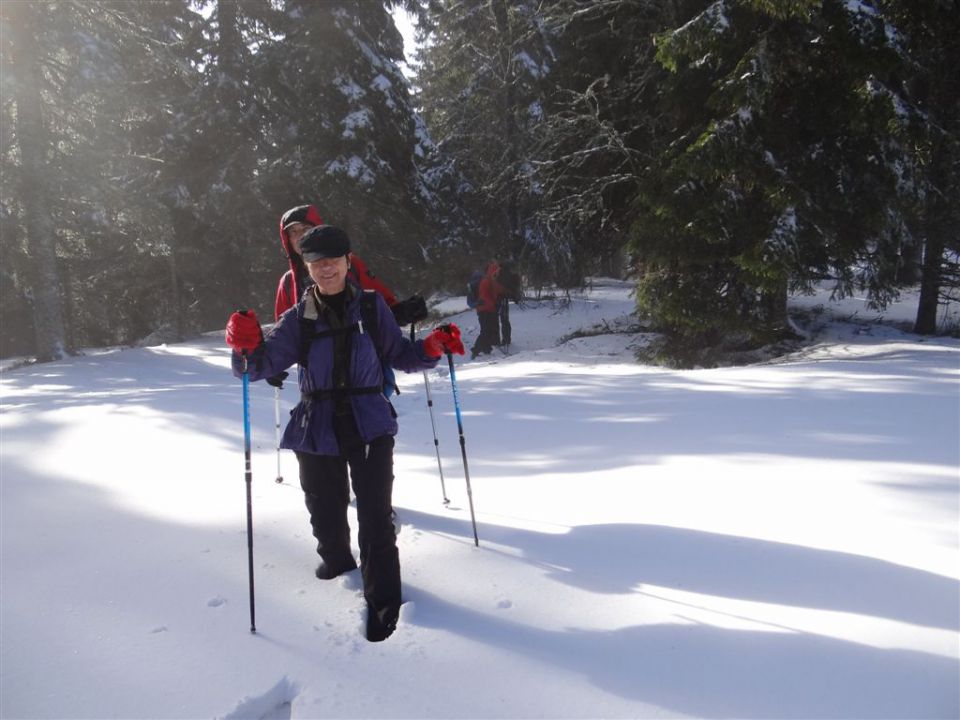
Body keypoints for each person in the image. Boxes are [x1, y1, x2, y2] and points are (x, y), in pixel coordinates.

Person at [226, 224, 464, 642]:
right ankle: (337, 564)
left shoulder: (372, 309)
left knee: (375, 515)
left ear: (348, 261)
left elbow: (401, 355)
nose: (326, 269)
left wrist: (430, 349)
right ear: (307, 267)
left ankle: (384, 604)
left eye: (333, 260)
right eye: (317, 262)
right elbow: (258, 368)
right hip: (316, 424)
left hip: (368, 420)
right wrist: (243, 348)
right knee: (324, 507)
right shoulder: (296, 320)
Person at [274, 204, 427, 394]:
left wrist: (403, 311)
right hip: (319, 378)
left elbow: (381, 304)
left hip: (366, 367)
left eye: (305, 229)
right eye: (293, 232)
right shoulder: (288, 282)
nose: (299, 236)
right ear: (287, 240)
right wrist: (275, 364)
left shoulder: (348, 263)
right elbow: (283, 332)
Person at [470, 261, 507, 359]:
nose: (498, 273)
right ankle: (476, 350)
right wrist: (493, 303)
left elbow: (499, 289)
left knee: (488, 330)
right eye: (496, 271)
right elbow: (484, 296)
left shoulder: (492, 281)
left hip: (489, 310)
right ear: (492, 271)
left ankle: (486, 349)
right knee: (486, 331)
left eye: (498, 271)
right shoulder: (485, 281)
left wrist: (507, 292)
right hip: (484, 310)